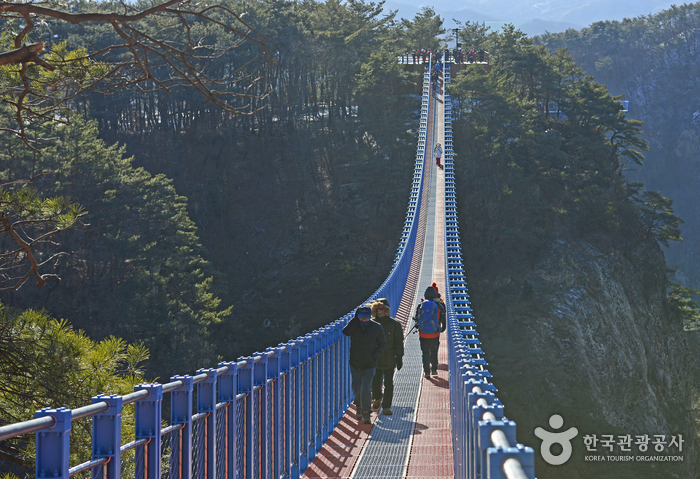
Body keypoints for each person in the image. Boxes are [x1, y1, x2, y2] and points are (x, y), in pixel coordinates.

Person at [343, 305, 386, 424]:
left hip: (370, 364)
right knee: (356, 388)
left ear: (370, 317)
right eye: (361, 318)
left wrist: (374, 357)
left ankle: (366, 412)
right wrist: (354, 320)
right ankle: (359, 406)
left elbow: (382, 344)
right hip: (355, 362)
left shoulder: (376, 327)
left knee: (366, 388)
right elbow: (345, 332)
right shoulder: (355, 326)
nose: (364, 320)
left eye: (366, 318)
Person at [370, 298, 404, 416]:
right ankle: (377, 397)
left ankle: (386, 407)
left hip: (390, 359)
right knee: (375, 383)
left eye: (383, 309)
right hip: (375, 359)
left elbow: (399, 342)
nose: (381, 312)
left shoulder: (395, 325)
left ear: (387, 310)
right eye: (379, 309)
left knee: (389, 384)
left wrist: (399, 357)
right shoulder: (370, 324)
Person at [413, 284, 446, 378]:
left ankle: (427, 372)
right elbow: (443, 318)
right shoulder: (439, 305)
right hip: (434, 333)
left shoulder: (421, 305)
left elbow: (416, 318)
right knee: (434, 351)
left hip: (423, 333)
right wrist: (442, 328)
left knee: (425, 353)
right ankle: (434, 370)